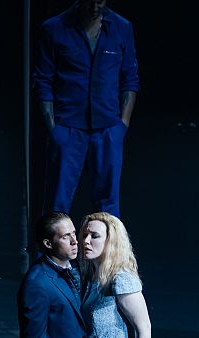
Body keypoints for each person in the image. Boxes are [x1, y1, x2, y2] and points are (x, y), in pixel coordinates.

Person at [33, 0, 138, 218]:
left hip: (108, 129)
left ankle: (108, 253)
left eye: (100, 1)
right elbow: (43, 80)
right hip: (69, 128)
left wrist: (123, 125)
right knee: (56, 204)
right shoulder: (54, 28)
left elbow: (129, 78)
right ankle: (50, 253)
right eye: (90, 1)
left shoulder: (121, 27)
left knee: (108, 205)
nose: (95, 7)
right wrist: (54, 129)